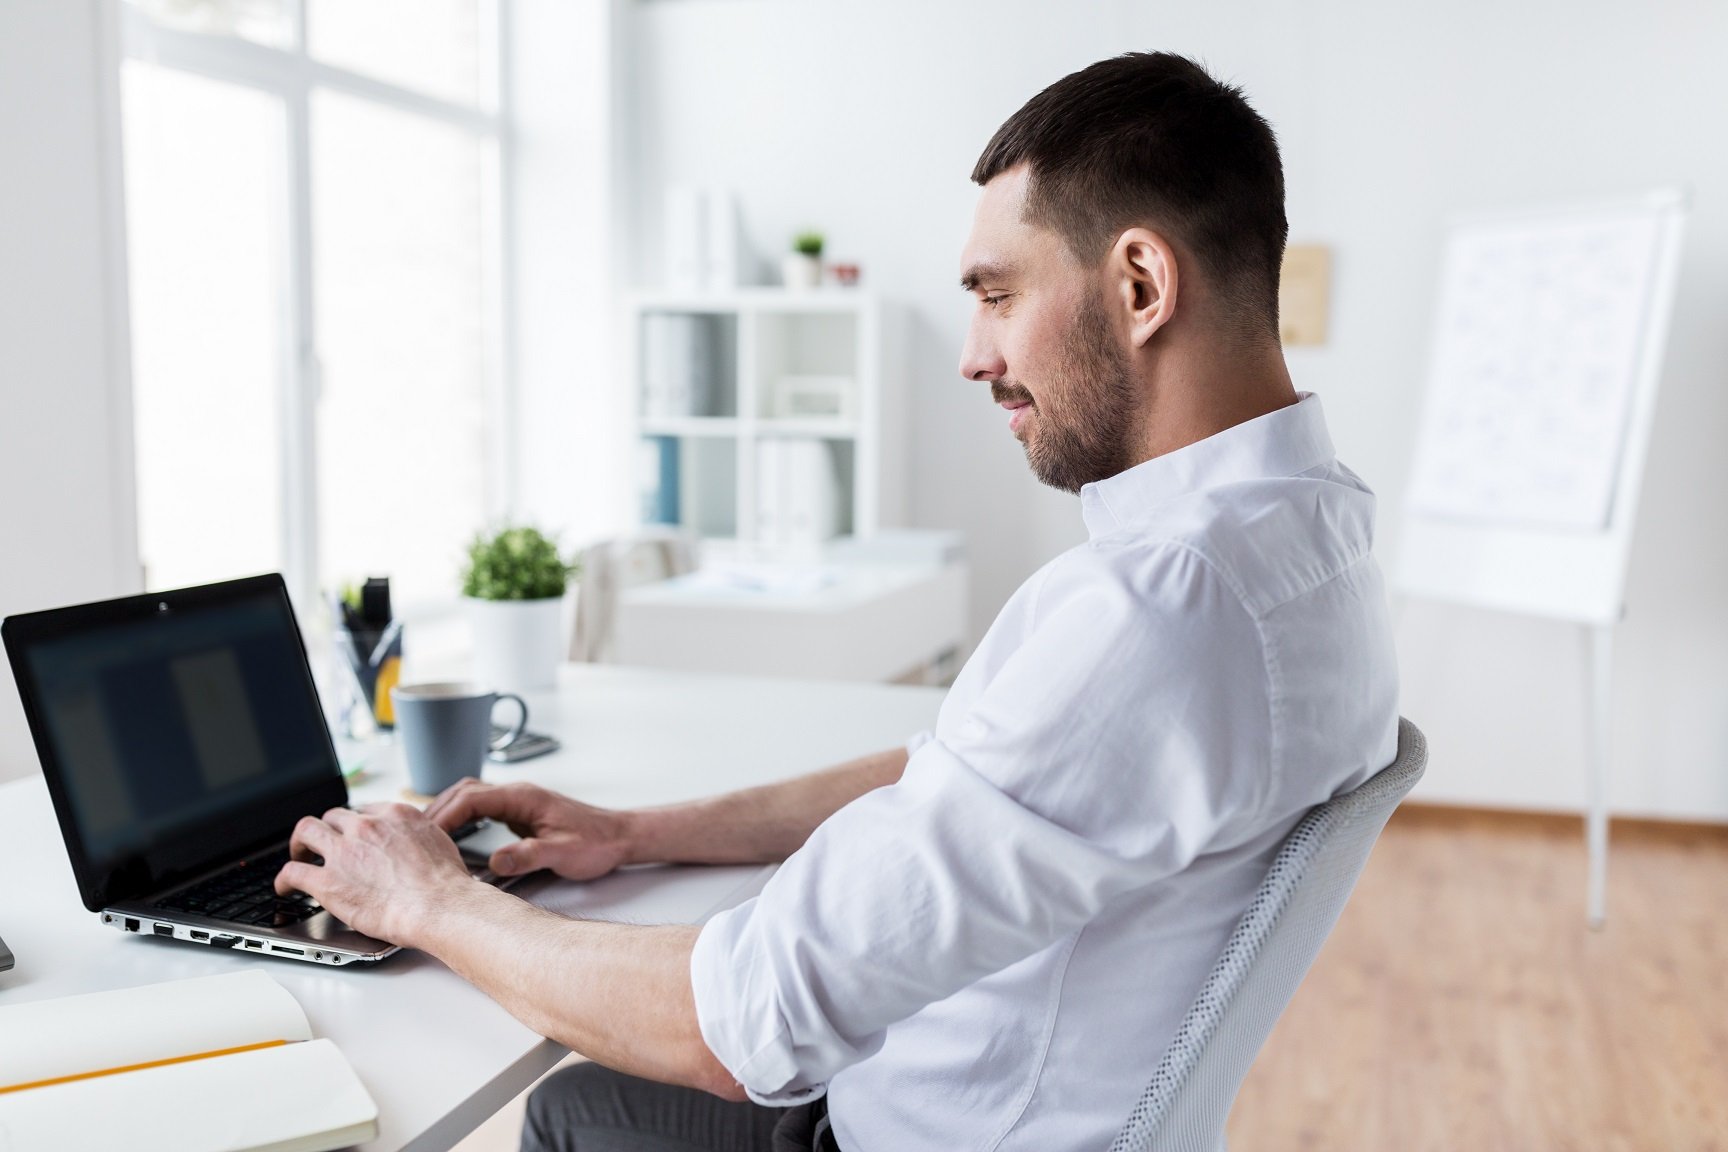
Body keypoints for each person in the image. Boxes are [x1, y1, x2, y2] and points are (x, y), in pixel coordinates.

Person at [274, 51, 1399, 1152]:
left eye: (998, 295)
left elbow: (735, 1024)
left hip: (905, 1129)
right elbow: (962, 774)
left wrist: (428, 902)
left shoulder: (1161, 607)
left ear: (1141, 286)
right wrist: (639, 833)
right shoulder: (1314, 530)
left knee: (571, 1105)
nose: (974, 356)